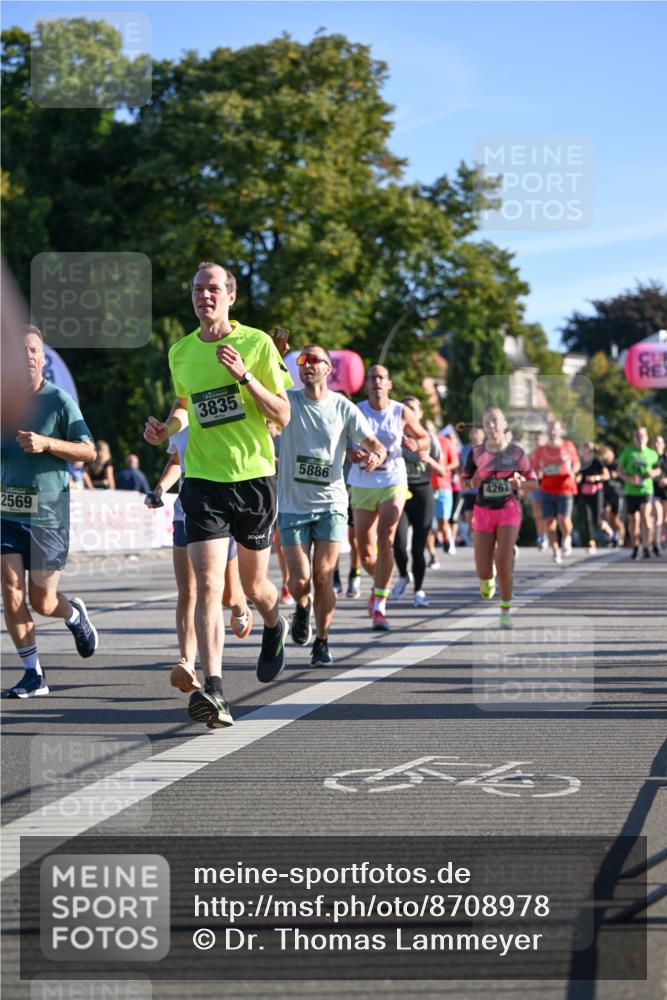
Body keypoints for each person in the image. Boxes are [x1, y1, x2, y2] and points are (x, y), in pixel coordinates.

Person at [144, 261, 293, 730]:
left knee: (253, 588)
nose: (203, 296)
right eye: (196, 289)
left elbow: (283, 413)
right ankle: (215, 690)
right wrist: (165, 428)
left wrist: (246, 376)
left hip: (253, 477)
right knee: (208, 584)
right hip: (203, 480)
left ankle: (274, 623)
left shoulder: (257, 343)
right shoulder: (181, 353)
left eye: (213, 289)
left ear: (230, 296)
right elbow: (187, 407)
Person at [1, 326, 99, 697]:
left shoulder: (58, 401)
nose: (27, 356)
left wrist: (46, 443)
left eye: (33, 350)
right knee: (11, 592)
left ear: (42, 359)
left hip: (48, 514)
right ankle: (33, 674)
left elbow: (88, 451)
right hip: (7, 511)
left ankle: (73, 614)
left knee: (42, 601)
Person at [278, 345, 385, 665]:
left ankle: (322, 641)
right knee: (298, 582)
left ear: (328, 368)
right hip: (293, 505)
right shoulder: (289, 402)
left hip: (332, 504)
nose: (307, 365)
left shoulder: (343, 406)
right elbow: (267, 398)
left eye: (314, 360)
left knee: (323, 575)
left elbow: (372, 441)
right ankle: (302, 606)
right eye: (302, 361)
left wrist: (377, 454)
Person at [146, 426, 253, 692]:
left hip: (220, 516)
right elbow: (175, 460)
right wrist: (159, 490)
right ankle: (187, 663)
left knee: (226, 596)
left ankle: (241, 607)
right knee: (188, 590)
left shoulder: (218, 411)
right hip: (185, 515)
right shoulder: (178, 421)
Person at [347, 364, 429, 631]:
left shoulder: (400, 411)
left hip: (393, 479)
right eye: (372, 378)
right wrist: (351, 452)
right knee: (365, 551)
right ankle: (381, 582)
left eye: (382, 377)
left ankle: (380, 605)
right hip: (362, 481)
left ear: (389, 384)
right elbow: (344, 440)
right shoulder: (357, 410)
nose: (377, 382)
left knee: (386, 537)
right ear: (366, 384)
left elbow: (425, 437)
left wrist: (417, 445)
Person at [462, 407, 537, 629]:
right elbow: (464, 481)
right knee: (483, 570)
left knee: (504, 562)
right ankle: (487, 578)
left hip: (508, 510)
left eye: (495, 421)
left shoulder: (516, 453)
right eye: (487, 423)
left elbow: (534, 483)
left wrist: (520, 484)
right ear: (483, 428)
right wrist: (472, 482)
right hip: (483, 512)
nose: (491, 426)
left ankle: (505, 610)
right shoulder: (476, 453)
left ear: (504, 425)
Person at [391, 396, 444, 607]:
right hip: (399, 491)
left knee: (419, 547)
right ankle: (403, 575)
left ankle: (419, 591)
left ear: (420, 413)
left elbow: (442, 471)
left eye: (413, 408)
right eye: (406, 409)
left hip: (422, 491)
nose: (409, 412)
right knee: (399, 543)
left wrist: (428, 459)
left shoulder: (429, 438)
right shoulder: (394, 435)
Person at [531, 419, 580, 564]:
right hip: (547, 488)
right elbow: (535, 468)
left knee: (563, 520)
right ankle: (555, 550)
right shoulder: (541, 449)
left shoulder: (568, 446)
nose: (553, 432)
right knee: (549, 523)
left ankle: (567, 536)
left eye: (555, 429)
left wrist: (573, 471)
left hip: (565, 487)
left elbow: (576, 463)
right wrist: (538, 473)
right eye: (550, 429)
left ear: (560, 431)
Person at [617, 426, 660, 560]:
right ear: (634, 438)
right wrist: (629, 478)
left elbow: (659, 469)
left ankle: (646, 546)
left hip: (646, 489)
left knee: (646, 517)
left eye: (642, 435)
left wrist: (654, 473)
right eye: (637, 436)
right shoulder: (628, 452)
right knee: (633, 521)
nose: (640, 438)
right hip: (630, 491)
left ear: (646, 437)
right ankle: (635, 546)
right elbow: (619, 469)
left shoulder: (652, 454)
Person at [431, 424, 460, 556]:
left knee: (443, 521)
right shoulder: (418, 442)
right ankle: (432, 555)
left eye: (430, 428)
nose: (428, 431)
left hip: (443, 486)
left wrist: (443, 468)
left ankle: (448, 539)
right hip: (426, 487)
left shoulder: (445, 442)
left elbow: (455, 462)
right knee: (428, 525)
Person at [576, 442, 608, 553]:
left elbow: (606, 475)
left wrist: (595, 478)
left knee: (597, 520)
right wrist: (577, 478)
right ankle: (591, 543)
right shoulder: (580, 463)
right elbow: (578, 475)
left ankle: (605, 527)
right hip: (585, 492)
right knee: (587, 518)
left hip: (596, 492)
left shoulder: (597, 461)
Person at [600, 445, 625, 548]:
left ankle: (620, 538)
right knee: (605, 516)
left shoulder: (618, 464)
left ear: (612, 454)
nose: (606, 456)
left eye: (607, 453)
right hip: (606, 494)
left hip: (618, 494)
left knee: (616, 519)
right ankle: (610, 537)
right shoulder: (602, 465)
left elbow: (624, 476)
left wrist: (616, 474)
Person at [651, 435, 667, 551]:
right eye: (655, 442)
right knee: (658, 516)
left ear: (663, 445)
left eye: (659, 442)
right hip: (653, 491)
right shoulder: (649, 457)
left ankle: (663, 541)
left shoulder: (666, 458)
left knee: (665, 519)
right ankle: (656, 543)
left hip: (665, 492)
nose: (657, 444)